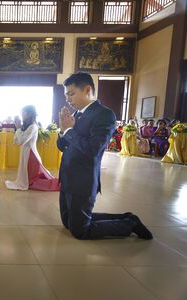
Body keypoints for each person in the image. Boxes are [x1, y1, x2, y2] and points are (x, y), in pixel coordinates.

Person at [57, 72, 152, 240]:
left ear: (87, 90)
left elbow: (93, 149)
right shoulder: (77, 115)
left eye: (71, 94)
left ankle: (130, 224)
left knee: (80, 232)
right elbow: (62, 147)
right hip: (67, 177)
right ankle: (125, 218)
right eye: (66, 95)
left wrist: (70, 131)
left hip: (83, 180)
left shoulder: (104, 114)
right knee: (68, 223)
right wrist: (62, 130)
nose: (68, 99)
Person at [5, 105, 60, 191]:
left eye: (23, 113)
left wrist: (19, 128)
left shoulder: (33, 126)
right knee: (28, 179)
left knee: (31, 180)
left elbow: (21, 141)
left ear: (29, 114)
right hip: (26, 152)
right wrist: (18, 128)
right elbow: (16, 141)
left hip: (31, 155)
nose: (22, 114)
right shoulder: (27, 126)